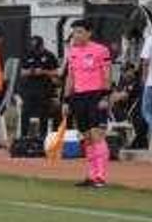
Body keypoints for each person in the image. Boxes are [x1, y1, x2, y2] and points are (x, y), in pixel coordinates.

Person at [62, 19, 113, 188]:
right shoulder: (72, 52)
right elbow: (71, 77)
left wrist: (105, 97)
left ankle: (101, 176)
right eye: (74, 32)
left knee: (97, 134)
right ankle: (91, 175)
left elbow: (107, 74)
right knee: (86, 138)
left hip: (96, 96)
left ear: (89, 33)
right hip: (79, 97)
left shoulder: (101, 50)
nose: (76, 35)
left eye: (79, 31)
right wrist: (66, 100)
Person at [18, 36, 59, 138]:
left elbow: (56, 72)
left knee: (43, 113)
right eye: (34, 48)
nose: (36, 50)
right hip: (29, 88)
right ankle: (24, 135)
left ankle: (43, 136)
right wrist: (31, 71)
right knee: (25, 111)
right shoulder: (27, 54)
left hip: (45, 88)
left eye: (38, 48)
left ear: (42, 45)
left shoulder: (49, 55)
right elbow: (22, 72)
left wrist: (44, 71)